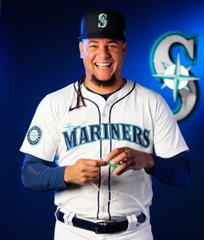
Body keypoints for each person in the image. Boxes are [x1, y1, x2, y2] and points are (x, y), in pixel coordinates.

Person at [20, 8, 190, 240]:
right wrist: (67, 174)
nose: (103, 54)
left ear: (124, 49)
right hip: (72, 232)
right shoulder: (55, 103)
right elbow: (29, 173)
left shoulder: (152, 102)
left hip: (134, 233)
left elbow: (182, 173)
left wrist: (147, 160)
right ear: (81, 49)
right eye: (93, 45)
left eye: (111, 44)